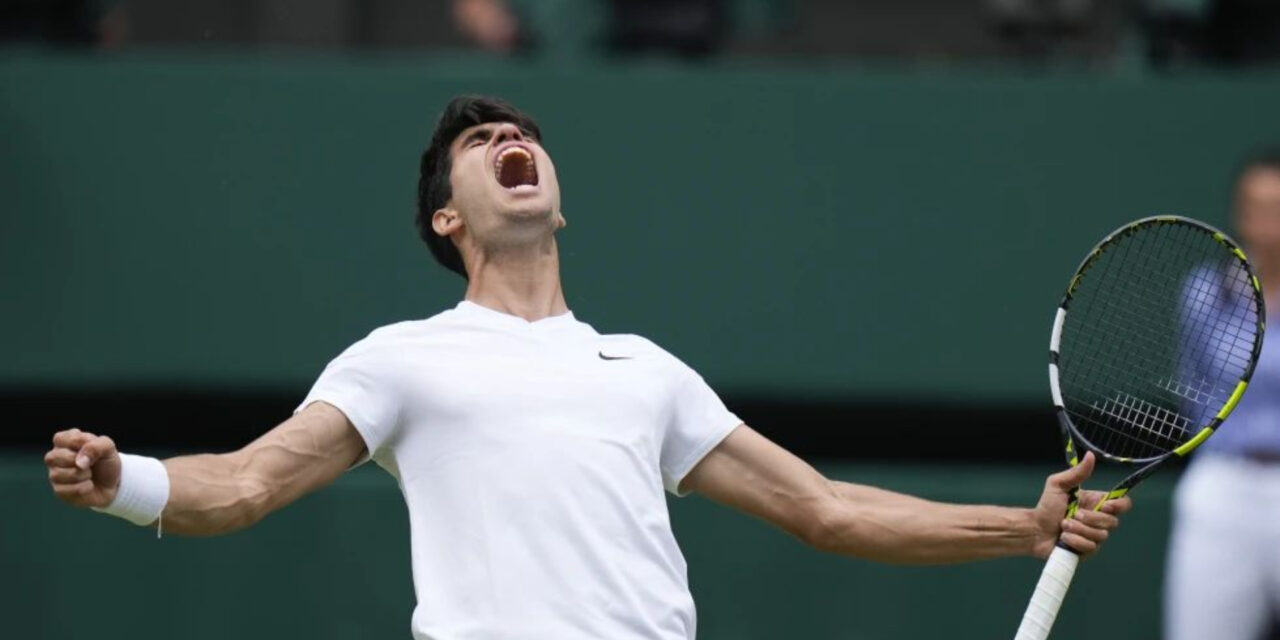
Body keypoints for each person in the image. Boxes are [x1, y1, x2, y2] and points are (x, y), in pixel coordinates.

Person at [45, 95, 1131, 640]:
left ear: (555, 200)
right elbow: (243, 484)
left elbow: (826, 507)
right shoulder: (399, 360)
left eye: (519, 133)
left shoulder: (644, 370)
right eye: (479, 144)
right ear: (445, 216)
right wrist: (122, 481)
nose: (507, 138)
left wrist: (1020, 527)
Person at [1165, 149, 1280, 640]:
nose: (1268, 223)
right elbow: (1194, 387)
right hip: (1222, 484)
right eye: (1257, 208)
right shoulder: (1202, 294)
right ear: (1241, 214)